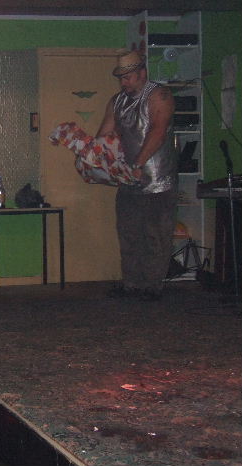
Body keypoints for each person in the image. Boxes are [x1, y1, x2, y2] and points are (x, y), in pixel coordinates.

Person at [96, 50, 177, 302]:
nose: (124, 83)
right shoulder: (117, 101)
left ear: (142, 73)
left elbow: (158, 131)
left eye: (128, 77)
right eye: (121, 78)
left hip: (157, 179)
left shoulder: (159, 95)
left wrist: (138, 163)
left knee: (156, 234)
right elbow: (104, 134)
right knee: (129, 233)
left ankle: (152, 286)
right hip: (128, 180)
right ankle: (132, 284)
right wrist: (91, 156)